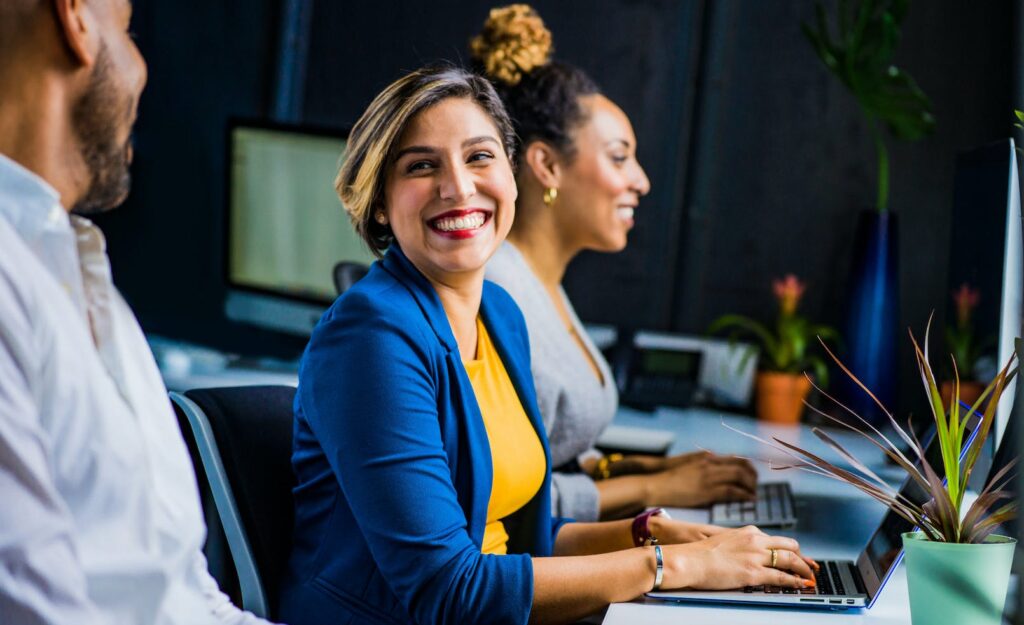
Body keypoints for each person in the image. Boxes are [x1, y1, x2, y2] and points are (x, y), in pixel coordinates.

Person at [278, 64, 816, 625]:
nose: (459, 186)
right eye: (421, 166)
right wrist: (674, 565)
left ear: (512, 177)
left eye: (479, 157)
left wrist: (645, 532)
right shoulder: (370, 337)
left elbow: (518, 539)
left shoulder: (500, 315)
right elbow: (449, 590)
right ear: (381, 203)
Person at [0, 1, 275, 623]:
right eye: (129, 33)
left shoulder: (85, 280)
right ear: (75, 19)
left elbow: (182, 592)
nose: (143, 68)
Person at [474, 4, 758, 522]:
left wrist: (645, 470)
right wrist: (657, 488)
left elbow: (553, 456)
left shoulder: (542, 284)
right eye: (619, 157)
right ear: (547, 165)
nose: (641, 181)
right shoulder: (497, 293)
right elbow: (505, 504)